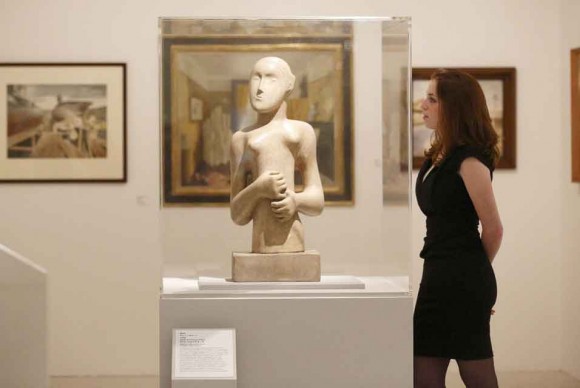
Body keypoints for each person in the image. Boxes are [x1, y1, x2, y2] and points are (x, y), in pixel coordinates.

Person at [414, 69, 504, 388]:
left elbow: (493, 229)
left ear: (454, 107)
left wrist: (475, 277)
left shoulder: (469, 161)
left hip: (462, 279)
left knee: (476, 374)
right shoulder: (438, 155)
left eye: (432, 98)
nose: (422, 103)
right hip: (435, 276)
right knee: (423, 374)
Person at [229, 57, 324, 254]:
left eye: (271, 79)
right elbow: (237, 215)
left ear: (288, 85)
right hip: (259, 245)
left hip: (293, 242)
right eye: (256, 78)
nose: (260, 88)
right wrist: (258, 189)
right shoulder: (241, 139)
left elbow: (317, 200)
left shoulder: (302, 132)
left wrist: (295, 201)